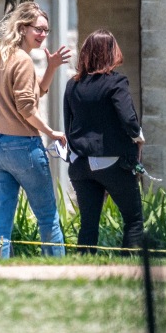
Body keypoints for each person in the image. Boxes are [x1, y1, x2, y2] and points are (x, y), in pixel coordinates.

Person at [0, 2, 71, 259]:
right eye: (39, 29)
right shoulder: (22, 60)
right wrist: (51, 132)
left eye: (47, 30)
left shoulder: (2, 56)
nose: (44, 34)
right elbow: (26, 108)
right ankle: (58, 270)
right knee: (47, 215)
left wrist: (52, 67)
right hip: (23, 147)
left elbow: (34, 95)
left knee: (1, 217)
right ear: (23, 28)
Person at [63, 29, 145, 254]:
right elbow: (128, 119)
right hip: (112, 162)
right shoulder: (116, 82)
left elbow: (68, 125)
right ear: (111, 53)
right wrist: (138, 138)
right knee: (134, 220)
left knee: (88, 225)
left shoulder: (72, 85)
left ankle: (84, 268)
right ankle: (128, 267)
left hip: (80, 163)